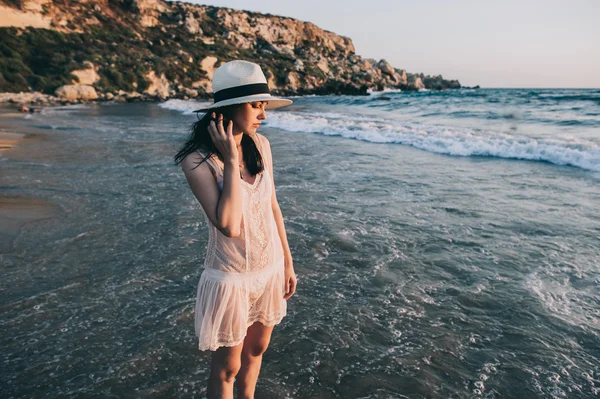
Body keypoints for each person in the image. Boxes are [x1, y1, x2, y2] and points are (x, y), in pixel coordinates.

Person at [174, 60, 297, 399]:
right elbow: (227, 224)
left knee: (255, 352)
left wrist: (287, 262)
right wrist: (230, 159)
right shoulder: (197, 160)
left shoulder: (262, 146)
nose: (264, 115)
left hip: (269, 270)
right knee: (226, 369)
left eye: (264, 106)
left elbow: (273, 207)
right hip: (232, 277)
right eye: (256, 105)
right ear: (229, 107)